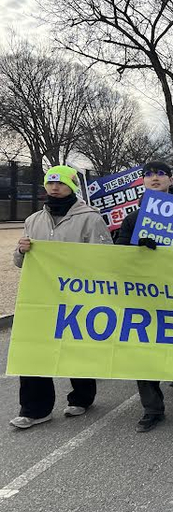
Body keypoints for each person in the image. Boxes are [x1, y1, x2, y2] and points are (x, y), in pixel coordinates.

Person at [10, 166, 111, 430]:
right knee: (33, 348)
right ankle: (35, 409)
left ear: (72, 186)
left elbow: (105, 259)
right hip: (41, 295)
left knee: (75, 346)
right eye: (51, 182)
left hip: (78, 296)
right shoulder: (34, 220)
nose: (55, 187)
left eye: (62, 183)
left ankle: (82, 396)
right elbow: (20, 263)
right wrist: (22, 251)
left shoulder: (90, 218)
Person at [115, 161, 173, 432]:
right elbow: (118, 253)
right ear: (142, 181)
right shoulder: (133, 219)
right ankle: (152, 409)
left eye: (160, 174)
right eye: (149, 174)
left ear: (170, 180)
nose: (155, 178)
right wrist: (135, 246)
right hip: (145, 294)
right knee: (143, 349)